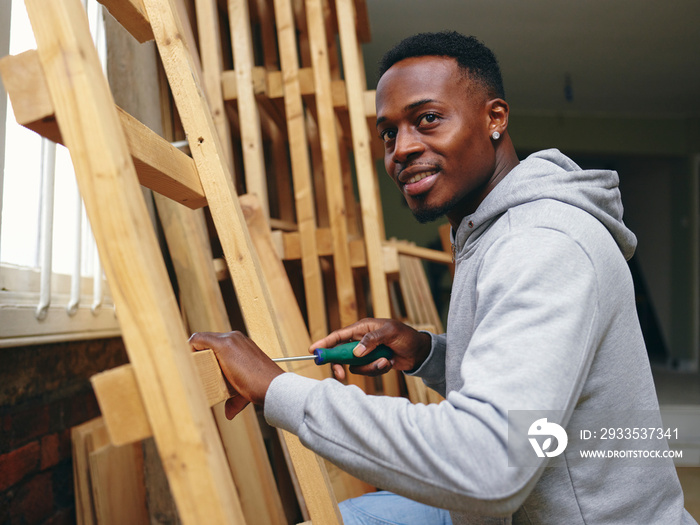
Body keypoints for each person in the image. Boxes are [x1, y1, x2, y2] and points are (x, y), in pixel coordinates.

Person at [189, 32, 696, 524]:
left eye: (427, 119)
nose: (401, 148)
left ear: (494, 118)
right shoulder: (491, 231)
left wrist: (277, 389)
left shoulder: (540, 243)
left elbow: (489, 463)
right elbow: (539, 369)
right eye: (389, 133)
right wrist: (430, 353)